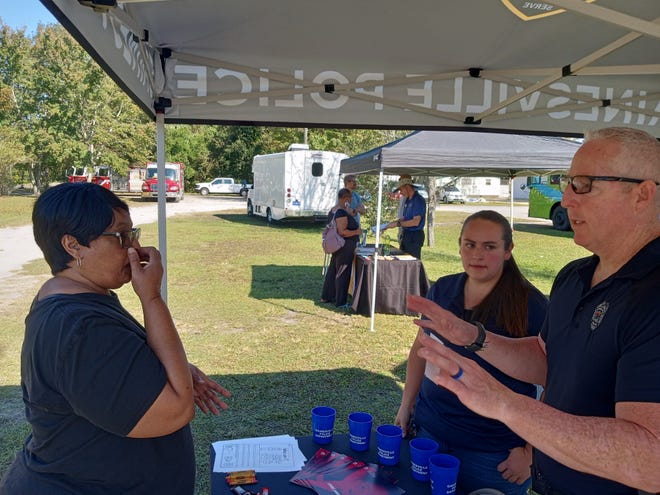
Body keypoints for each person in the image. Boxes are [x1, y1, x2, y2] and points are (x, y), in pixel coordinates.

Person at [407, 127, 660, 495]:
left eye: (584, 185)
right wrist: (473, 337)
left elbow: (651, 460)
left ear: (643, 194)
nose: (566, 199)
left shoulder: (652, 293)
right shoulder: (575, 276)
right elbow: (546, 357)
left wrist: (506, 404)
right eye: (567, 182)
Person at [0, 182, 231, 494]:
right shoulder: (80, 328)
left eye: (133, 234)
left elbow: (105, 371)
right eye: (121, 237)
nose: (134, 247)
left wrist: (170, 370)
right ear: (73, 246)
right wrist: (151, 298)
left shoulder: (72, 296)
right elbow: (177, 408)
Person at [396, 210, 547, 495]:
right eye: (470, 244)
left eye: (489, 247)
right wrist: (407, 404)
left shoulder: (532, 306)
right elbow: (421, 347)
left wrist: (530, 452)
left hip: (493, 451)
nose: (477, 254)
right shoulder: (443, 289)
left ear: (508, 251)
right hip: (430, 431)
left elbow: (554, 382)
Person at [321, 188, 362, 307]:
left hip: (338, 246)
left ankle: (327, 296)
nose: (349, 200)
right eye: (348, 198)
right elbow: (342, 232)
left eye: (350, 198)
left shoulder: (334, 210)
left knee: (333, 270)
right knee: (342, 272)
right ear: (343, 198)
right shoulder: (341, 212)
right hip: (344, 246)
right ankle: (341, 301)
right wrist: (356, 232)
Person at [383, 177, 426, 258]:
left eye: (401, 190)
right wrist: (390, 224)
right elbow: (405, 218)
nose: (401, 193)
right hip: (406, 235)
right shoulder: (408, 200)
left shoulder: (418, 200)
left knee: (412, 262)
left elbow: (415, 222)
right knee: (402, 259)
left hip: (414, 236)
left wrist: (398, 224)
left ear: (407, 187)